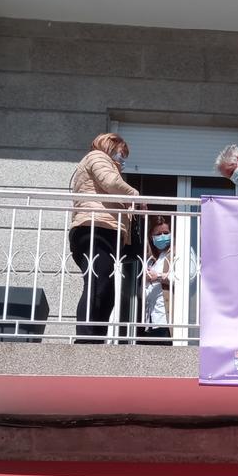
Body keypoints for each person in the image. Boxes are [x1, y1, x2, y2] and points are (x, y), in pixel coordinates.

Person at [69, 133, 142, 344]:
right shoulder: (98, 157)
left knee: (106, 288)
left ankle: (96, 339)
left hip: (102, 229)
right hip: (95, 228)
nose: (123, 159)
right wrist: (135, 195)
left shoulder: (102, 162)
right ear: (110, 146)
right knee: (97, 284)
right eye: (122, 153)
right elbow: (110, 183)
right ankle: (86, 340)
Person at [138, 217, 174, 345]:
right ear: (151, 238)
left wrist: (158, 277)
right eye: (158, 234)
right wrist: (145, 281)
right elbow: (143, 295)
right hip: (151, 322)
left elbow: (185, 280)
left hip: (166, 321)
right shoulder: (153, 261)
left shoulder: (177, 254)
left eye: (166, 233)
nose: (162, 236)